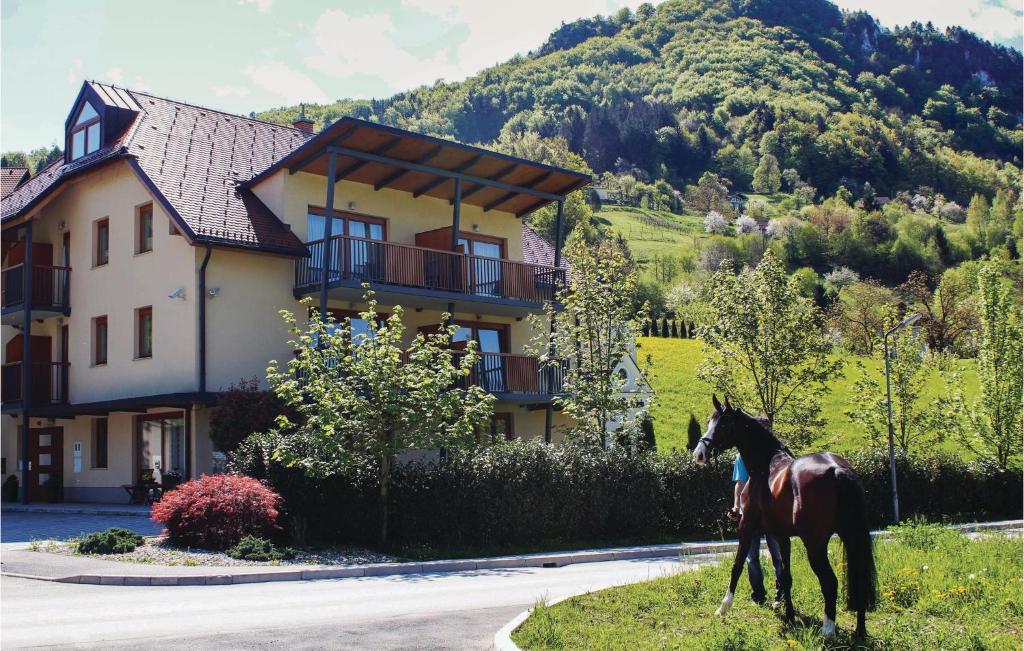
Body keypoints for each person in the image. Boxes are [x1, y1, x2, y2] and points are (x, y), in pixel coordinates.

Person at [731, 453, 782, 605]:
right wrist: (736, 506)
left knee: (778, 555)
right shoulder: (742, 456)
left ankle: (782, 593)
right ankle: (759, 594)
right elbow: (740, 483)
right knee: (752, 557)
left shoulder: (773, 453)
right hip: (751, 513)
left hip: (772, 511)